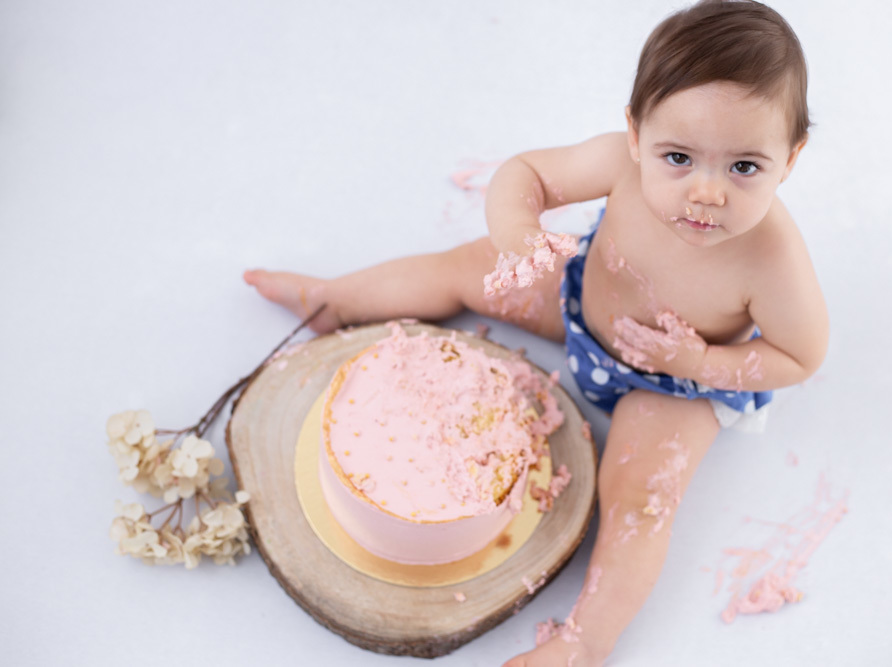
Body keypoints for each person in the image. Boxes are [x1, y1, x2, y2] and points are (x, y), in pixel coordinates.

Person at [244, 1, 828, 663]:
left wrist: (700, 359)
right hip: (581, 301)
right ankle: (337, 298)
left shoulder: (772, 257)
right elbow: (525, 175)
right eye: (678, 157)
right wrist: (520, 237)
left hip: (669, 382)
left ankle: (584, 640)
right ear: (636, 134)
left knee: (642, 497)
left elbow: (799, 355)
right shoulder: (618, 163)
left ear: (792, 157)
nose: (707, 192)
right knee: (467, 267)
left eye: (744, 167)